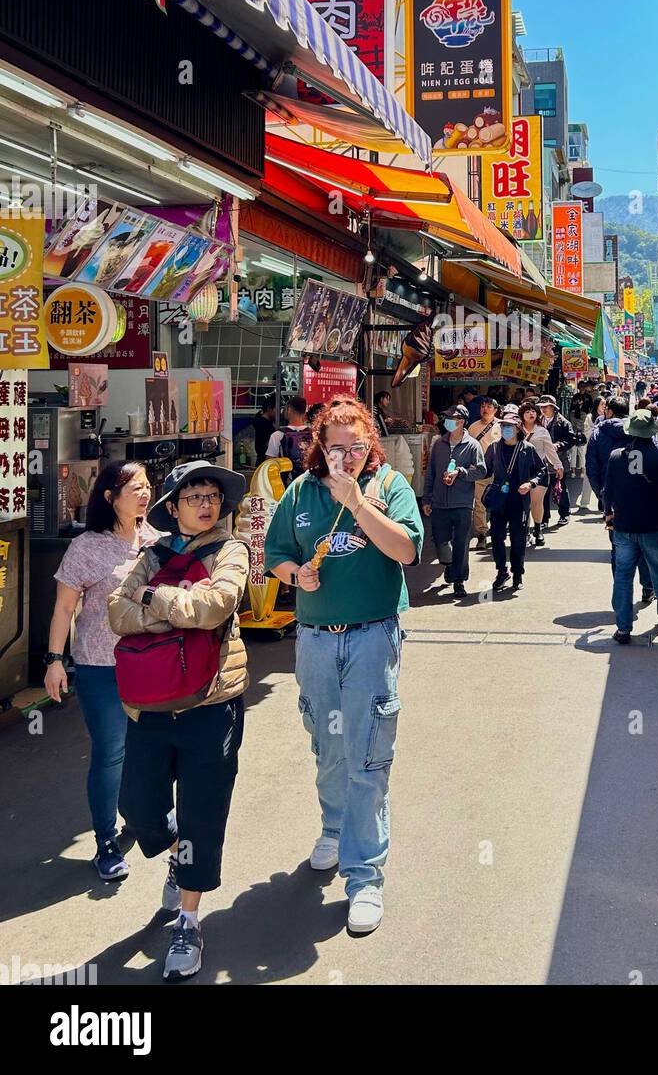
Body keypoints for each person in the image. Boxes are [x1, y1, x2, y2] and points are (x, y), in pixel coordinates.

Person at [265, 396, 423, 938]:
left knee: (369, 752)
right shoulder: (301, 493)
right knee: (326, 744)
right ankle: (333, 826)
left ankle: (365, 876)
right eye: (337, 448)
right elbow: (277, 552)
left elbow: (405, 552)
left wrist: (358, 504)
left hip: (372, 635)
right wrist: (294, 576)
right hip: (314, 639)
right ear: (319, 447)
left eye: (357, 447)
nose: (347, 457)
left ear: (369, 445)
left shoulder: (388, 488)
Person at [107, 461, 249, 981]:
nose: (206, 504)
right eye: (194, 496)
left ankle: (188, 919)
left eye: (212, 495)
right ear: (173, 508)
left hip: (210, 705)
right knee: (138, 807)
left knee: (202, 814)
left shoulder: (232, 549)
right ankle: (174, 853)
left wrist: (152, 599)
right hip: (148, 705)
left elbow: (214, 607)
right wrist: (171, 604)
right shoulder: (153, 554)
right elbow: (115, 612)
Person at [46, 462, 156, 882]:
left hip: (150, 665)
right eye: (134, 489)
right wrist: (55, 661)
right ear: (110, 497)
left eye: (147, 487)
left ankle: (139, 818)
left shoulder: (156, 542)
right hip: (100, 666)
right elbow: (64, 608)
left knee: (146, 748)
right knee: (111, 752)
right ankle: (106, 842)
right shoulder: (87, 547)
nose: (144, 495)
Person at [603, 410, 658, 644]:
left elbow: (608, 490)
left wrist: (608, 514)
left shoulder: (616, 456)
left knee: (623, 575)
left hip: (624, 525)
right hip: (653, 525)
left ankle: (623, 627)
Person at [422, 404, 486, 596]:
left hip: (463, 503)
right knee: (441, 540)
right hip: (440, 502)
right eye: (448, 417)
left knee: (461, 543)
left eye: (453, 418)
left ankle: (459, 580)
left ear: (462, 421)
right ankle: (448, 564)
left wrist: (461, 472)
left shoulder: (472, 445)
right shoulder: (439, 444)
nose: (449, 421)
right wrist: (427, 499)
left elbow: (482, 470)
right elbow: (430, 474)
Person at [484, 405, 546, 594]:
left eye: (509, 426)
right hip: (498, 502)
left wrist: (531, 484)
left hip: (519, 502)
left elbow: (541, 471)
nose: (505, 430)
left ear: (518, 428)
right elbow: (484, 470)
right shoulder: (494, 448)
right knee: (496, 537)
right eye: (503, 427)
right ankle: (501, 571)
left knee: (518, 540)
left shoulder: (527, 449)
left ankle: (517, 573)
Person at [518, 400, 561, 546]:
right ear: (521, 415)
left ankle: (538, 529)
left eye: (533, 411)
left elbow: (550, 450)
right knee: (523, 503)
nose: (531, 413)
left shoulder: (542, 431)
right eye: (527, 411)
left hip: (539, 471)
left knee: (536, 503)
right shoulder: (516, 429)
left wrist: (557, 465)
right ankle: (524, 531)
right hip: (520, 470)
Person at [468, 396, 501, 551]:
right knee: (479, 503)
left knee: (499, 502)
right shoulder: (473, 427)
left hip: (499, 471)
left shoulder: (502, 426)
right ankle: (481, 533)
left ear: (495, 410)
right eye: (483, 406)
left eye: (489, 406)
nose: (485, 409)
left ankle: (497, 531)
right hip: (480, 471)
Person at [539, 395, 576, 526]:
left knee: (559, 488)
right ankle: (544, 518)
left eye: (546, 407)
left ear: (553, 408)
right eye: (541, 407)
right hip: (542, 462)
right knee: (542, 491)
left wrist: (559, 445)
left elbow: (571, 440)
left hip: (559, 460)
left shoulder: (563, 422)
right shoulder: (538, 421)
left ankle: (564, 513)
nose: (543, 409)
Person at [266, 394, 314, 478]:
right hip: (309, 483)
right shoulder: (314, 435)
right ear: (304, 412)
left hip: (286, 485)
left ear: (289, 410)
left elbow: (269, 465)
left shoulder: (277, 436)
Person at [252, 395, 277, 464]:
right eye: (276, 409)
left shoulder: (260, 421)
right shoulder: (264, 425)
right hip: (265, 462)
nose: (278, 412)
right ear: (269, 408)